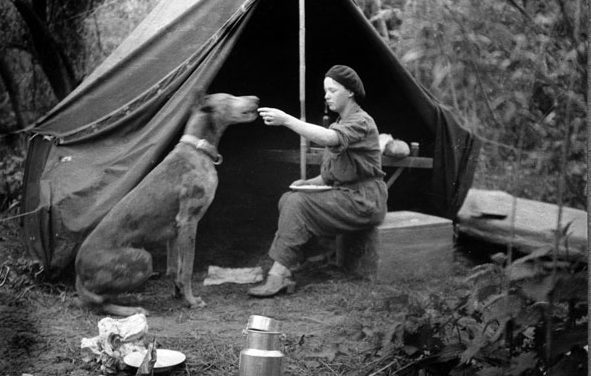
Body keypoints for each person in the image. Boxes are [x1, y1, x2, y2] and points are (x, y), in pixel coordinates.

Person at [248, 65, 388, 297]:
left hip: (365, 201)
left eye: (332, 90)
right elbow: (332, 175)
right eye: (326, 91)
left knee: (298, 204)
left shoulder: (361, 122)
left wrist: (286, 120)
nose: (326, 95)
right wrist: (309, 182)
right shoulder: (343, 123)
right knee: (289, 198)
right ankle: (291, 264)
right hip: (348, 196)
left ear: (350, 92)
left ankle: (279, 274)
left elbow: (329, 139)